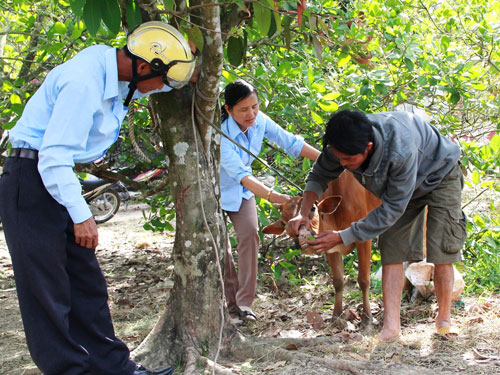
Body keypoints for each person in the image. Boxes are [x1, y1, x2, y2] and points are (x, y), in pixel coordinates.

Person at [0, 21, 196, 375]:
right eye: (160, 82)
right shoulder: (83, 83)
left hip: (56, 179)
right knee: (47, 290)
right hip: (31, 180)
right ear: (141, 67)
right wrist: (81, 215)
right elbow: (54, 156)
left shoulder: (114, 72)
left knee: (86, 282)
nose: (158, 91)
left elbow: (150, 84)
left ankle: (116, 368)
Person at [289, 109, 466, 341]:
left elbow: (392, 209)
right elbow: (320, 174)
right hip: (400, 189)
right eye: (339, 157)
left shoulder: (399, 150)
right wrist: (304, 213)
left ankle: (444, 319)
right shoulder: (343, 144)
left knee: (441, 247)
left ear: (368, 147)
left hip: (439, 175)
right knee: (391, 248)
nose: (342, 164)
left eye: (348, 160)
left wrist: (343, 236)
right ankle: (391, 328)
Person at [220, 80, 320, 325]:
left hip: (243, 192)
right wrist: (276, 198)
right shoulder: (221, 135)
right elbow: (242, 175)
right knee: (220, 248)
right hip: (216, 190)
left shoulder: (260, 120)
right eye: (243, 110)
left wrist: (328, 161)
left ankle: (245, 304)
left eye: (254, 106)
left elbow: (291, 143)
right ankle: (230, 307)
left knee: (250, 235)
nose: (251, 114)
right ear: (228, 109)